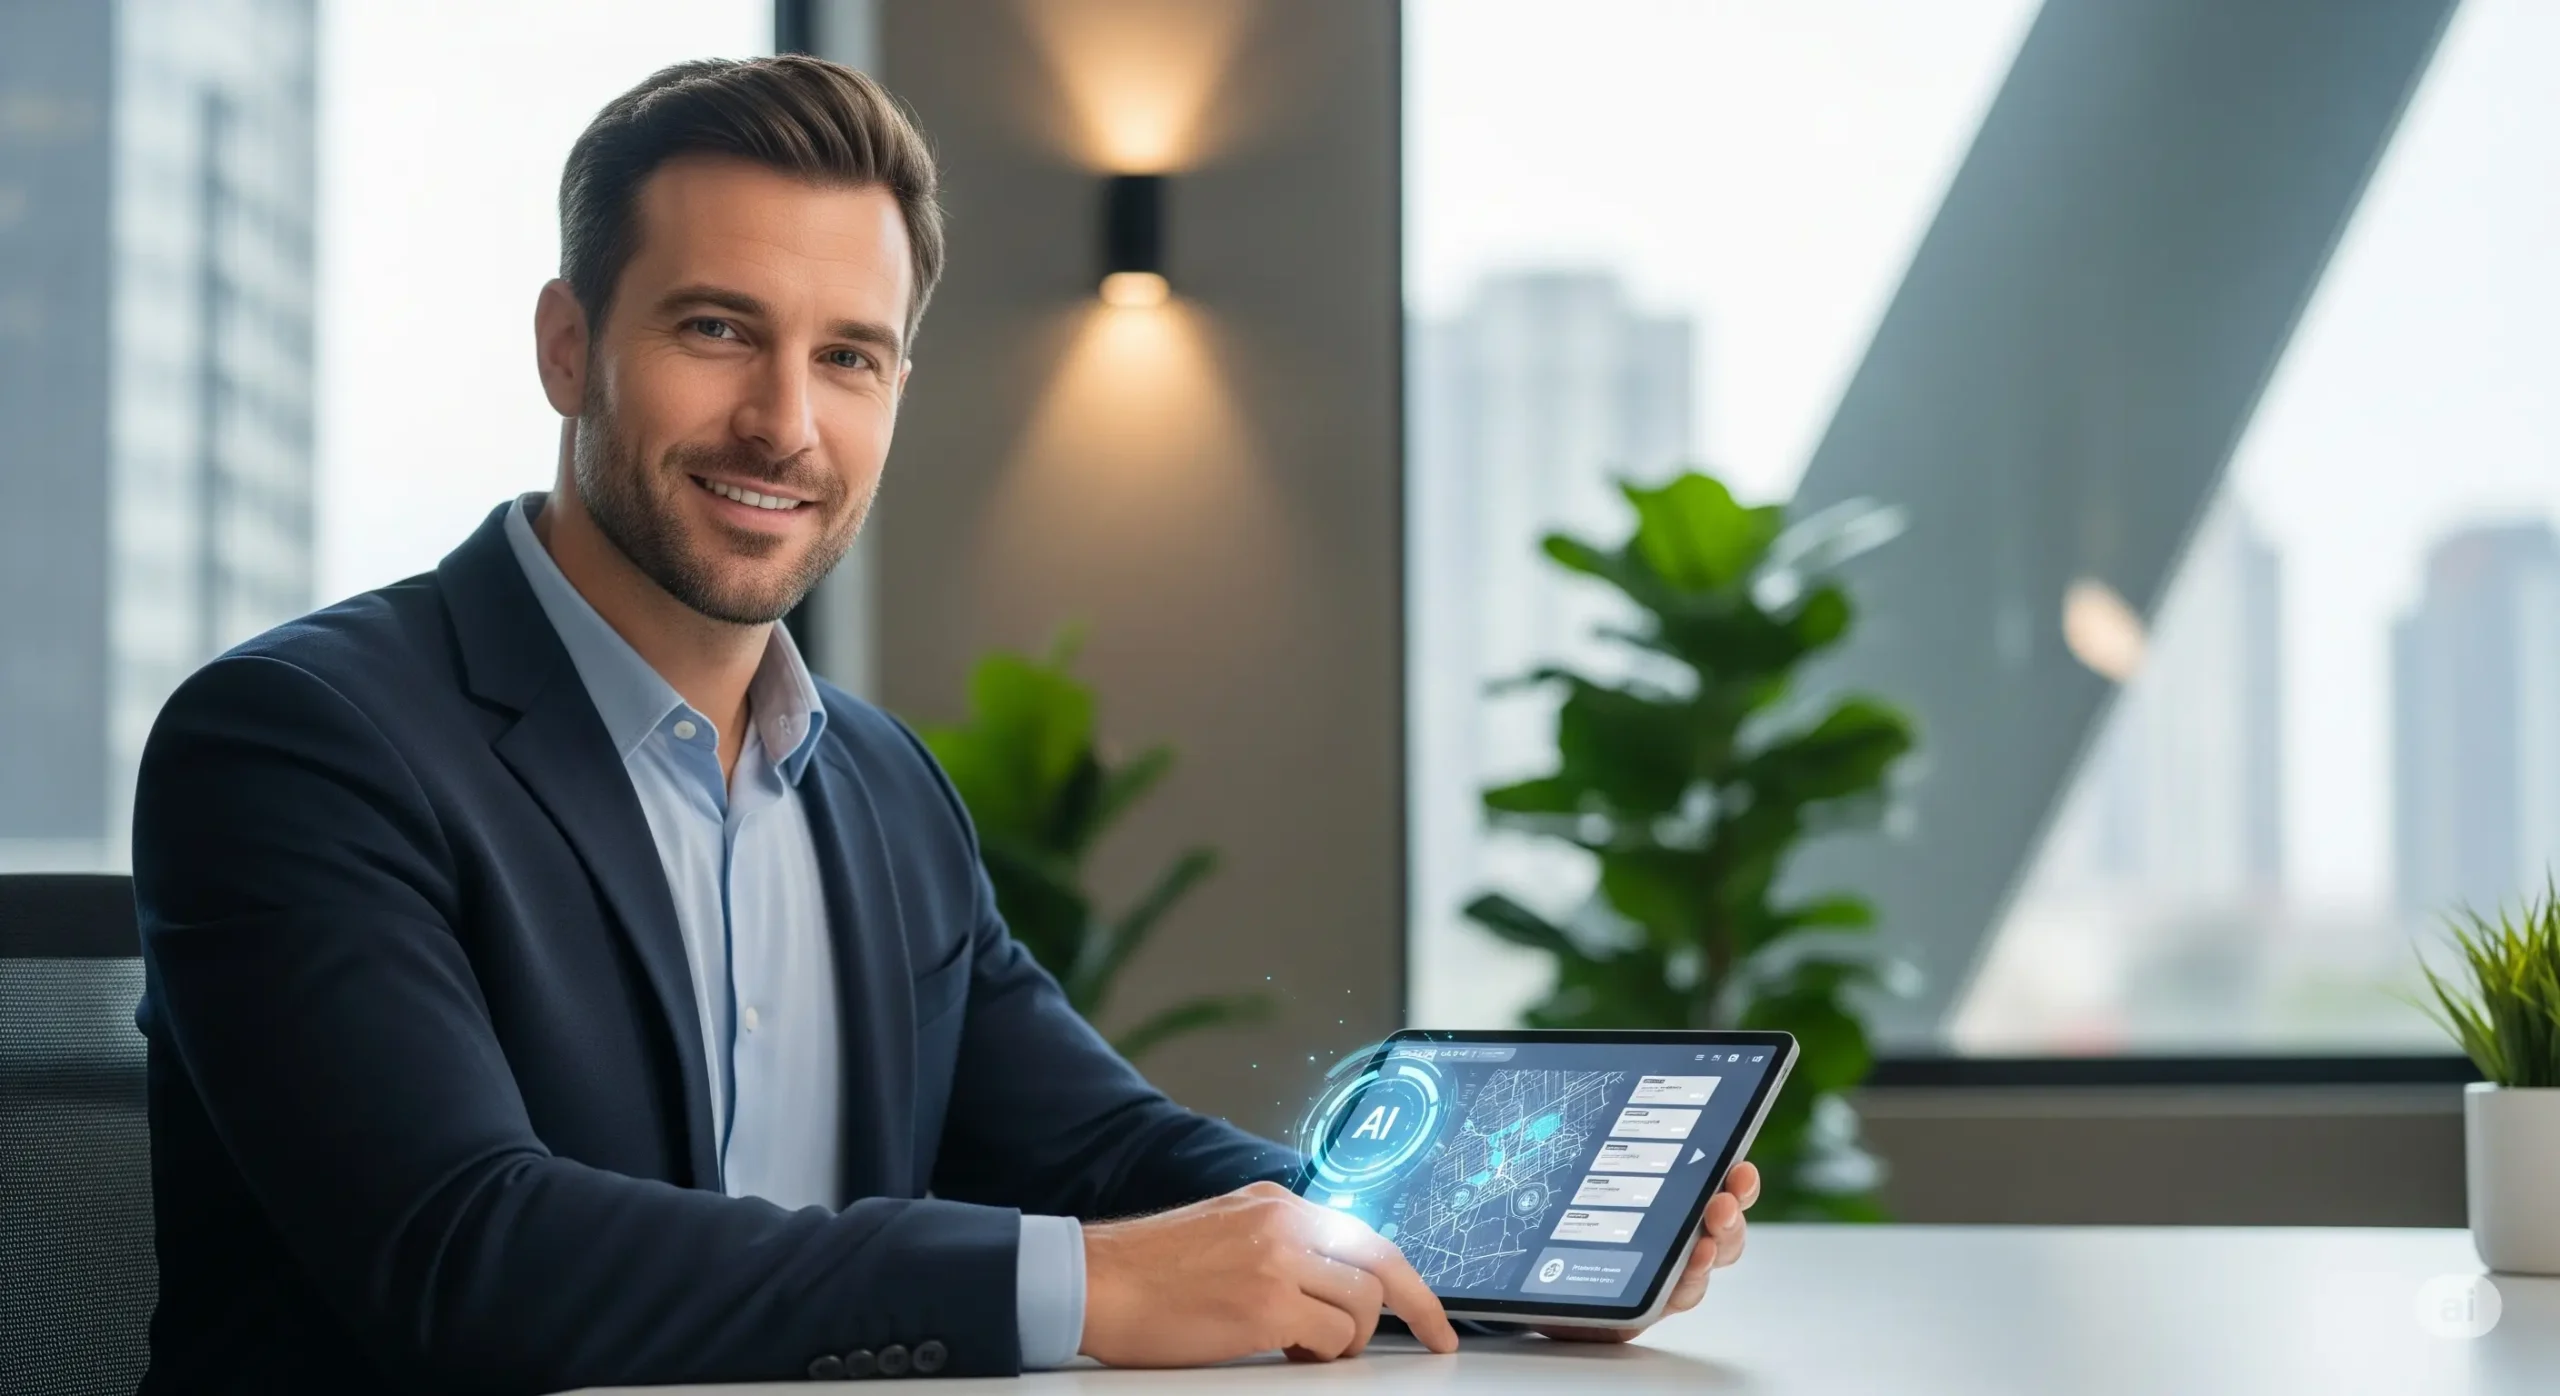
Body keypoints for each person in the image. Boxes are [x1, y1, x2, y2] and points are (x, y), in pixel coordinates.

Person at [129, 55, 1758, 1394]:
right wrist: (1091, 1290)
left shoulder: (881, 791)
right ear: (570, 347)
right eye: (717, 331)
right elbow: (469, 1255)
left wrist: (1486, 1245)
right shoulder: (297, 745)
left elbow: (1110, 1152)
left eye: (850, 356)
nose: (784, 420)